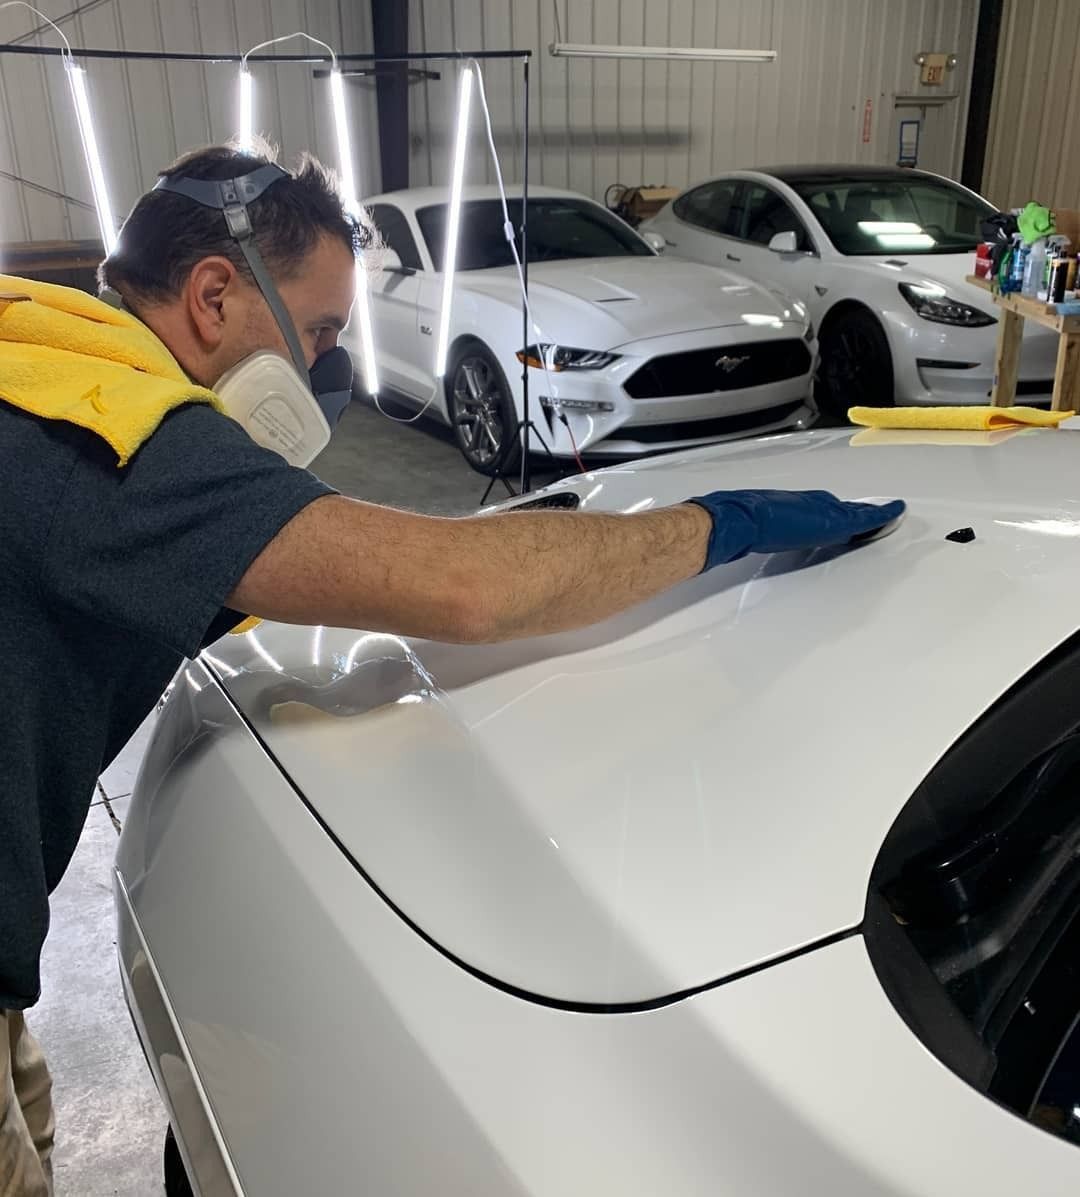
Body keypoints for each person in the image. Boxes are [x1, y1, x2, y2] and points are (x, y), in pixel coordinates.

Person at [0, 142, 903, 1195]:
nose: (324, 371)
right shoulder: (123, 435)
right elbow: (460, 588)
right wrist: (707, 528)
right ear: (211, 296)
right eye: (322, 332)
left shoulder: (36, 350)